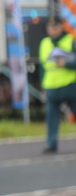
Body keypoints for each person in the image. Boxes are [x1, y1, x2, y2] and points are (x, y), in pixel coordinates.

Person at [38, 15, 76, 154]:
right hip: (51, 86)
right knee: (51, 118)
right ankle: (51, 143)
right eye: (50, 27)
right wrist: (42, 86)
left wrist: (67, 64)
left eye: (55, 27)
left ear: (61, 27)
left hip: (70, 85)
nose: (52, 30)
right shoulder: (44, 43)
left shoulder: (71, 40)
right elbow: (42, 67)